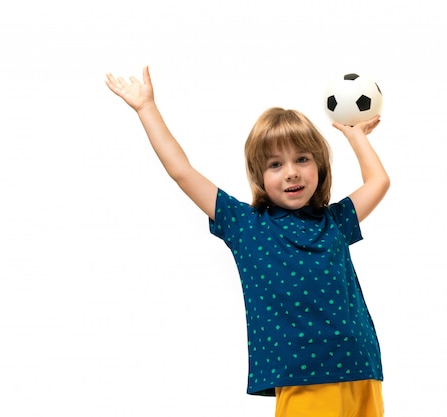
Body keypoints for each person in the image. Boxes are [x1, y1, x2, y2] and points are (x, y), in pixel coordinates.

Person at [105, 66, 390, 417]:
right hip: (303, 374)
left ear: (319, 166)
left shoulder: (334, 221)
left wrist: (356, 135)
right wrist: (147, 109)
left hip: (360, 362)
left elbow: (378, 181)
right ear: (259, 175)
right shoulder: (246, 225)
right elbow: (182, 171)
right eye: (276, 164)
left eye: (302, 159)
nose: (292, 172)